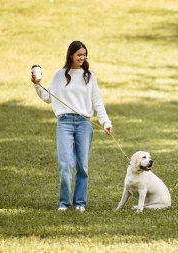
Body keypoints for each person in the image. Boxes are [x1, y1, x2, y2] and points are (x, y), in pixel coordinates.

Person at [31, 41, 112, 212]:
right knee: (66, 164)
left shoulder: (89, 76)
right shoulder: (59, 75)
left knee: (82, 165)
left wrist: (106, 122)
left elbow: (97, 101)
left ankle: (80, 203)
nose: (82, 57)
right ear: (71, 56)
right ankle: (64, 203)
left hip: (84, 123)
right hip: (64, 123)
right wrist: (36, 84)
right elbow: (47, 97)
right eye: (79, 54)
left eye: (84, 54)